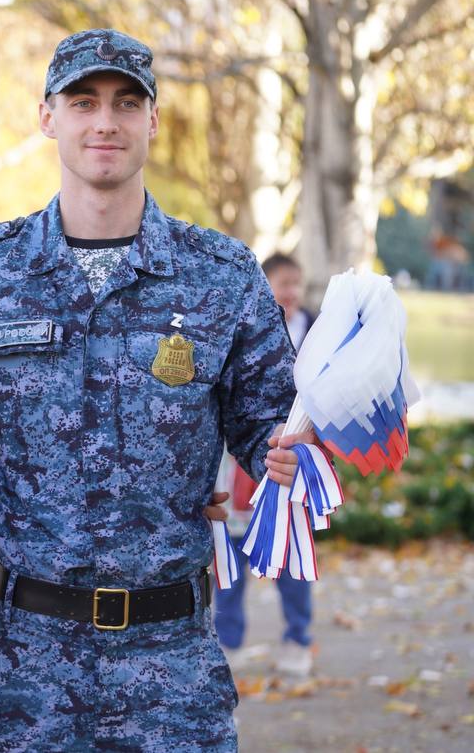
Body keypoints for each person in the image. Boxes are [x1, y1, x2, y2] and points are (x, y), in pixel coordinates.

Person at [0, 28, 319, 750]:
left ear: (152, 121)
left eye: (127, 103)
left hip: (172, 672)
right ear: (47, 117)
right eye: (84, 101)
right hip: (25, 671)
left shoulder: (221, 276)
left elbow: (269, 420)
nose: (106, 121)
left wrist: (286, 450)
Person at [213, 253, 316, 677]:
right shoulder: (242, 328)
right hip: (238, 462)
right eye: (283, 283)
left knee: (292, 560)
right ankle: (229, 641)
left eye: (296, 283)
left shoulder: (317, 332)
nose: (291, 292)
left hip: (291, 463)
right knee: (230, 560)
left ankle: (298, 639)